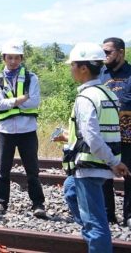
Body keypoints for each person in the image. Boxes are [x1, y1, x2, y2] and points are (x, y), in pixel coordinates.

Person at [54, 42, 129, 252]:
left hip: (90, 166)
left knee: (95, 222)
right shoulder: (108, 94)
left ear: (84, 68)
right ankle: (92, 232)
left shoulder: (86, 97)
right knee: (70, 190)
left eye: (73, 65)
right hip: (96, 164)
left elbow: (93, 137)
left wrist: (114, 163)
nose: (71, 69)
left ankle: (96, 238)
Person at [0, 42, 47, 218]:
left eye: (16, 58)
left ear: (21, 58)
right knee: (2, 170)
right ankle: (0, 203)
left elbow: (34, 102)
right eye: (9, 57)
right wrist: (22, 99)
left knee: (32, 170)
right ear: (4, 58)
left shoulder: (31, 78)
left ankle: (38, 204)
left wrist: (12, 102)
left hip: (27, 131)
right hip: (5, 131)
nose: (13, 61)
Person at [100, 37, 131, 225]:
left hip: (128, 135)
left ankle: (129, 216)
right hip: (106, 135)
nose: (104, 56)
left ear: (121, 52)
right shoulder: (101, 74)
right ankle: (108, 216)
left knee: (129, 176)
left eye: (108, 52)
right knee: (104, 177)